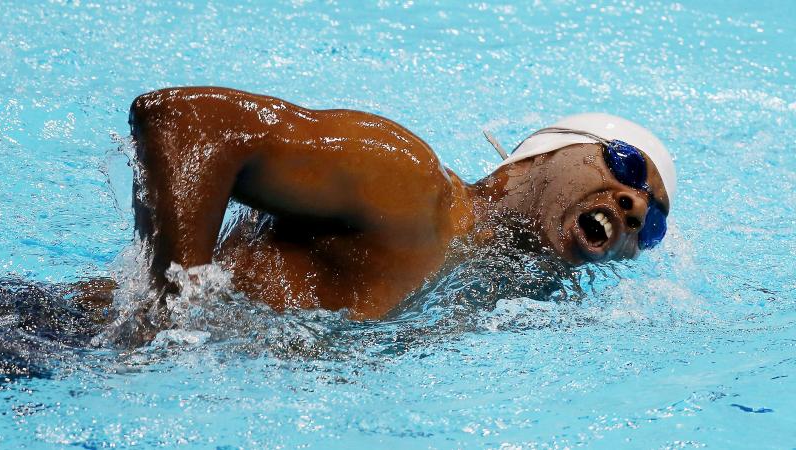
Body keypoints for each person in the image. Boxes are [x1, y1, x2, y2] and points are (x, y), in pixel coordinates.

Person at [127, 86, 675, 321]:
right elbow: (185, 122)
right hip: (68, 346)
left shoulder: (500, 299)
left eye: (652, 225)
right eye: (625, 165)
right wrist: (173, 312)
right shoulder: (409, 184)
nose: (634, 204)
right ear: (544, 154)